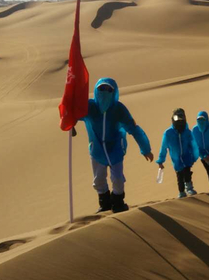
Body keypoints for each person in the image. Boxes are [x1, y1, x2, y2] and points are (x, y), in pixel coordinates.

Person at [80, 77, 153, 214]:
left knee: (118, 179)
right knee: (98, 180)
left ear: (114, 92)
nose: (105, 91)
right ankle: (105, 205)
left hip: (115, 150)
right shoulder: (89, 107)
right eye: (102, 88)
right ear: (96, 90)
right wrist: (68, 121)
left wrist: (145, 149)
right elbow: (73, 113)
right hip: (97, 151)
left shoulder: (118, 109)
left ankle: (118, 203)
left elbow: (134, 129)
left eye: (109, 89)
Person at [156, 108, 199, 198]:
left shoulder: (187, 132)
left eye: (181, 117)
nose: (179, 120)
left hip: (187, 157)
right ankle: (181, 192)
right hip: (176, 159)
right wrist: (161, 160)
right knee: (179, 175)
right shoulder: (168, 133)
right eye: (177, 118)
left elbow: (193, 145)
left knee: (187, 173)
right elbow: (163, 147)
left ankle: (189, 188)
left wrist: (194, 157)